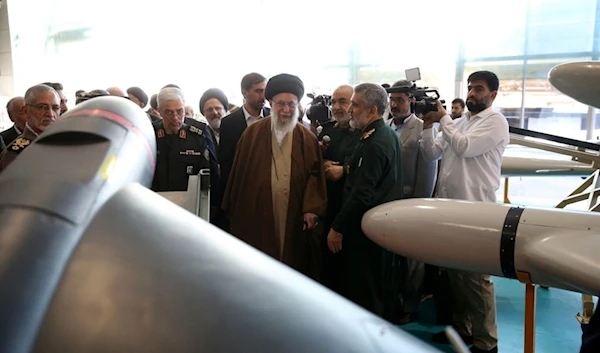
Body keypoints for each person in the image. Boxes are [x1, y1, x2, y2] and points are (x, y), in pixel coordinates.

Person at [420, 70, 509, 353]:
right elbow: (431, 153)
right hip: (450, 208)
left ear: (492, 94)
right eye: (470, 88)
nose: (472, 93)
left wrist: (444, 119)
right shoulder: (459, 122)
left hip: (477, 210)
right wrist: (426, 125)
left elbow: (465, 147)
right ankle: (464, 329)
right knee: (456, 274)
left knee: (477, 280)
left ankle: (487, 343)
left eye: (479, 89)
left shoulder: (496, 122)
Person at [222, 73, 327, 280]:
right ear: (270, 103)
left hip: (294, 214)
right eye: (281, 104)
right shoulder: (251, 135)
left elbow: (315, 177)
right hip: (258, 213)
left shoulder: (307, 138)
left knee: (292, 261)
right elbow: (239, 177)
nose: (286, 110)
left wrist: (311, 209)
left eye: (292, 104)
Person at [327, 83, 403, 316]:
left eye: (355, 104)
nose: (349, 109)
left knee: (366, 293)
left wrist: (337, 228)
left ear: (371, 111)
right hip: (376, 226)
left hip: (366, 229)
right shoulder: (380, 134)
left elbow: (362, 193)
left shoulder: (375, 142)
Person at [151, 87, 214, 192]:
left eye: (180, 111)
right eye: (169, 112)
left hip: (188, 200)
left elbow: (209, 174)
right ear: (159, 111)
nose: (175, 117)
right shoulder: (150, 134)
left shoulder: (197, 136)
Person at [0, 84, 60, 172]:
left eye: (55, 108)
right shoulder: (15, 154)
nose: (50, 114)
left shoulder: (63, 142)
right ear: (25, 111)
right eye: (42, 107)